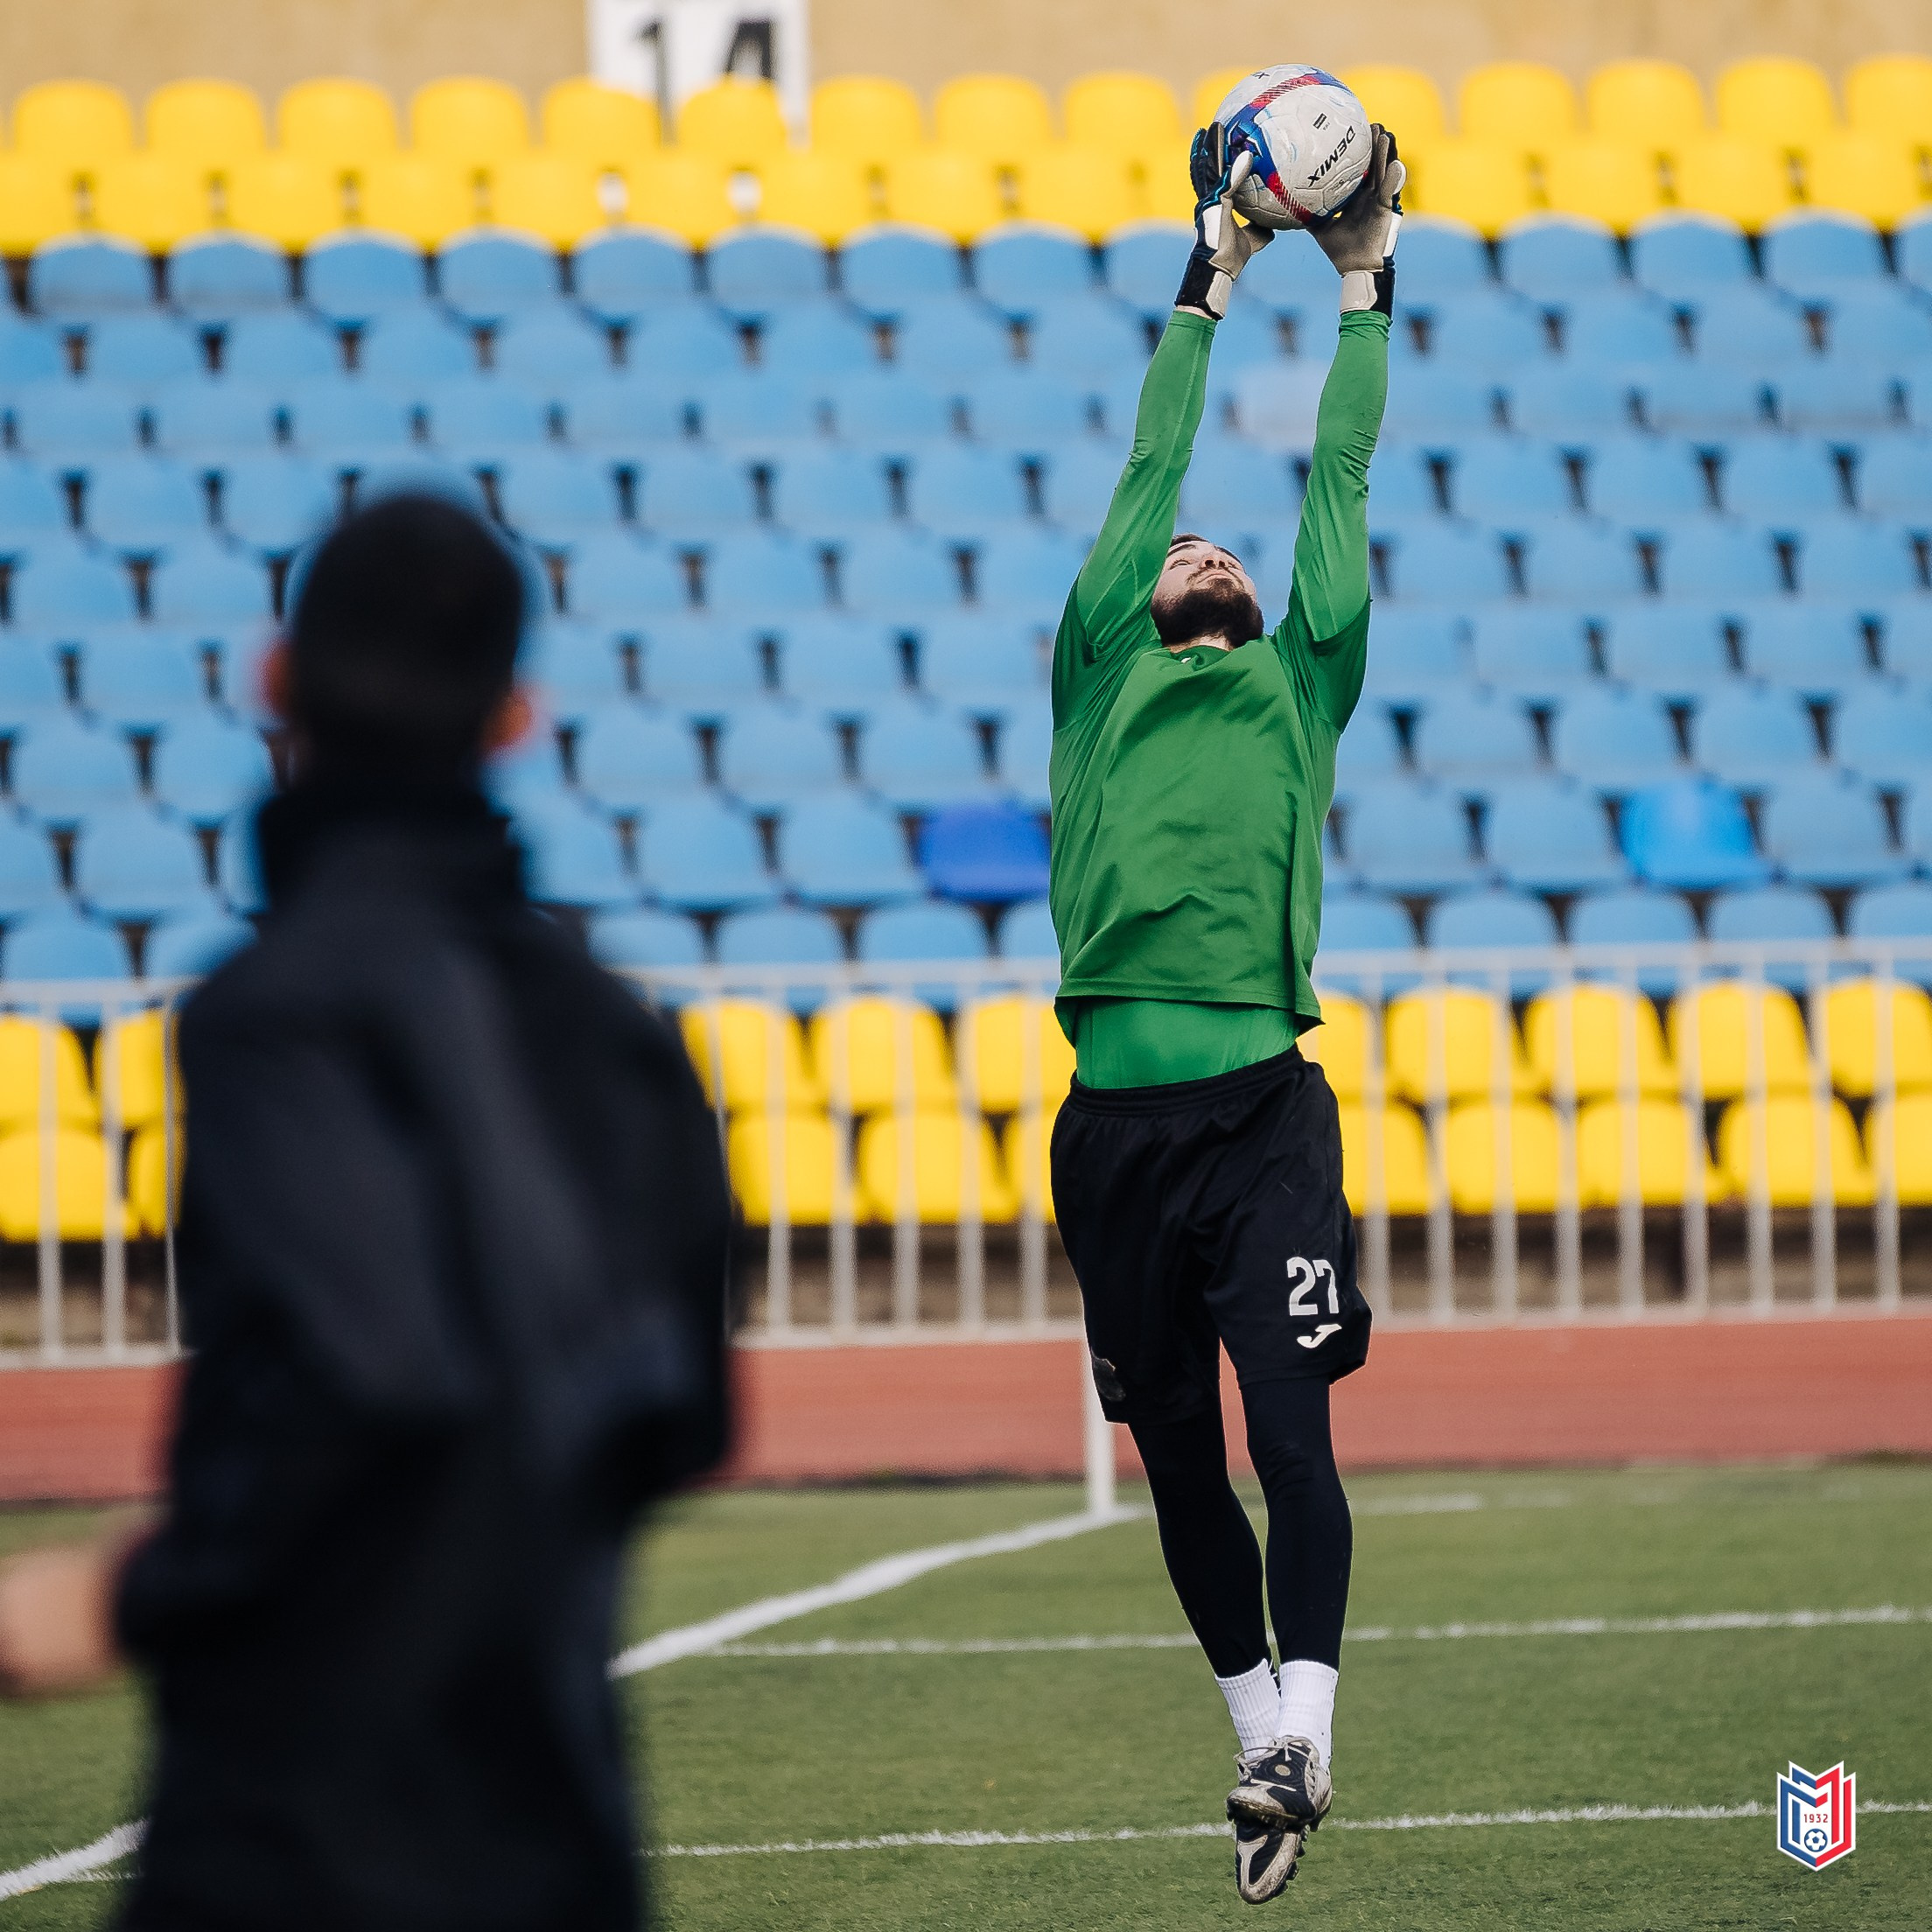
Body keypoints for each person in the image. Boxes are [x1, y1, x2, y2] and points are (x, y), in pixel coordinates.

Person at [0, 494, 733, 1931]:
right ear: (517, 715)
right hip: (561, 1832)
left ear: (272, 680)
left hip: (293, 1836)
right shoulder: (622, 1033)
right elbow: (684, 1423)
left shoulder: (269, 1018)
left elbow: (380, 1380)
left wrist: (120, 1600)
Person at [1046, 124, 1403, 1903]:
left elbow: (1335, 473)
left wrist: (1359, 287)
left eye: (1210, 549)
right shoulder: (1103, 666)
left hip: (1267, 1117)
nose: (1190, 543)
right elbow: (1150, 452)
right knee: (1176, 1455)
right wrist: (1214, 270)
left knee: (1291, 1431)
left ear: (1254, 600)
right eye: (1172, 549)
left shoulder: (1304, 676)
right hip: (1111, 1136)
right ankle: (1255, 1727)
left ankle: (1309, 1744)